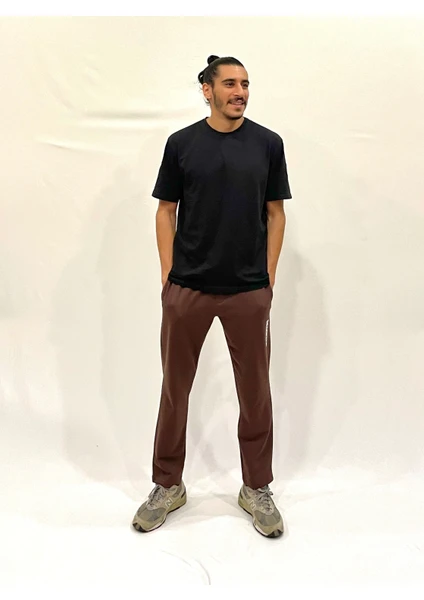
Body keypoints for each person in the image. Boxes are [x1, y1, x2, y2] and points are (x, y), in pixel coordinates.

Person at [132, 55, 292, 538]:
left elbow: (276, 213)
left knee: (255, 393)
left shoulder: (268, 144)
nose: (240, 91)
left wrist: (267, 278)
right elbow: (166, 210)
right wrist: (168, 276)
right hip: (188, 289)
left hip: (248, 291)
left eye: (245, 83)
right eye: (230, 83)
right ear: (207, 90)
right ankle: (167, 485)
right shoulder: (182, 144)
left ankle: (256, 487)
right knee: (174, 389)